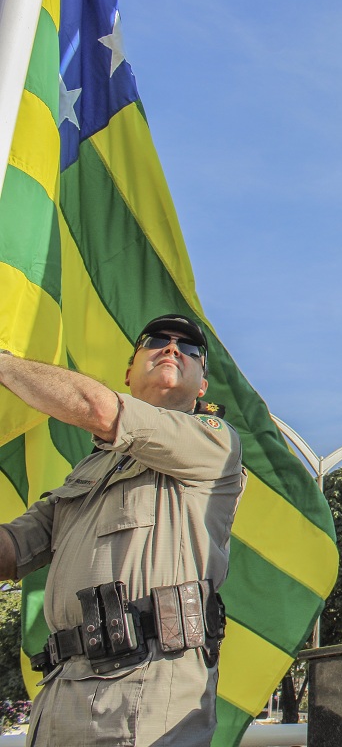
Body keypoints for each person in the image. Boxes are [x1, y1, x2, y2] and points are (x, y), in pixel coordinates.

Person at [0, 314, 246, 745]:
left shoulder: (213, 441)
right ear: (129, 372)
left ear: (202, 385)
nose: (173, 349)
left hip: (144, 695)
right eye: (157, 341)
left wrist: (5, 364)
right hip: (61, 692)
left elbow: (99, 409)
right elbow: (11, 550)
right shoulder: (86, 473)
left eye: (189, 350)